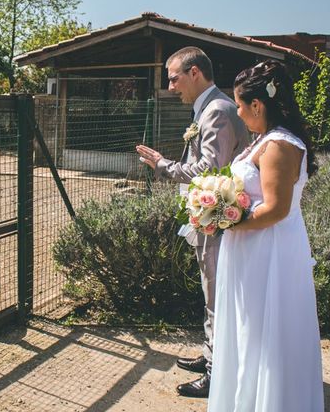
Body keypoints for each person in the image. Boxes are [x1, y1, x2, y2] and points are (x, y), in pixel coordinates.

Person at [208, 60, 324, 411]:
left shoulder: (279, 145)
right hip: (252, 250)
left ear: (258, 104)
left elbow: (275, 209)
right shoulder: (266, 140)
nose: (239, 113)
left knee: (263, 332)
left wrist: (224, 220)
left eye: (241, 105)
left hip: (268, 251)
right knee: (247, 331)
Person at [136, 46, 249, 398]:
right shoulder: (211, 108)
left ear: (195, 72)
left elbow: (209, 170)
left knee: (216, 293)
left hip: (218, 221)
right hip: (210, 218)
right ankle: (210, 353)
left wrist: (163, 165)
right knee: (209, 290)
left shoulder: (216, 111)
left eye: (174, 78)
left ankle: (217, 373)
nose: (170, 87)